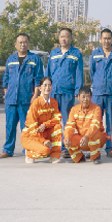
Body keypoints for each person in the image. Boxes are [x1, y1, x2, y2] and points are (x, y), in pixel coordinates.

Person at [0, 33, 43, 158]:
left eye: (25, 42)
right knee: (10, 126)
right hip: (11, 99)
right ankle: (8, 150)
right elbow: (6, 79)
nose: (22, 44)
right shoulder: (10, 59)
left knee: (27, 126)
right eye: (20, 42)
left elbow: (38, 79)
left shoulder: (35, 59)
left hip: (27, 99)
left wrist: (35, 96)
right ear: (15, 44)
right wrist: (6, 94)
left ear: (28, 43)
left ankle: (28, 149)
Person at [46, 27, 83, 158]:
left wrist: (78, 90)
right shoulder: (53, 53)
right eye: (62, 36)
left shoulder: (76, 53)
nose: (64, 39)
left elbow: (79, 73)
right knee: (53, 120)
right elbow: (48, 72)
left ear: (71, 38)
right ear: (59, 38)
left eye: (66, 36)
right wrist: (46, 88)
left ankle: (66, 147)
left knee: (67, 121)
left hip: (68, 91)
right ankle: (53, 147)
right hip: (54, 92)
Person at [90, 28, 112, 158]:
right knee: (96, 122)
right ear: (100, 39)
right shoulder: (95, 54)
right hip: (98, 93)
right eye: (104, 38)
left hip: (111, 93)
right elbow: (92, 72)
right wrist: (98, 83)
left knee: (111, 122)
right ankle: (95, 148)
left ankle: (111, 148)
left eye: (109, 38)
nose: (106, 41)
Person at [21, 77, 62, 163]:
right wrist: (43, 141)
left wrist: (46, 124)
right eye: (45, 85)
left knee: (58, 127)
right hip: (31, 135)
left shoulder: (53, 102)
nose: (47, 88)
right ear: (40, 88)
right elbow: (32, 127)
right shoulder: (36, 103)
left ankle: (54, 156)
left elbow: (57, 118)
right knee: (45, 151)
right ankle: (29, 153)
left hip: (44, 132)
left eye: (49, 85)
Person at [64, 87, 109, 164]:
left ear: (91, 97)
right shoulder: (74, 110)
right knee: (68, 140)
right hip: (83, 140)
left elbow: (94, 126)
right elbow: (69, 126)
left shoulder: (96, 109)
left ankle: (95, 156)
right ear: (78, 97)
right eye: (83, 97)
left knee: (95, 135)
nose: (85, 99)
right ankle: (78, 157)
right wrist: (67, 137)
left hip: (96, 138)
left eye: (87, 96)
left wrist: (86, 136)